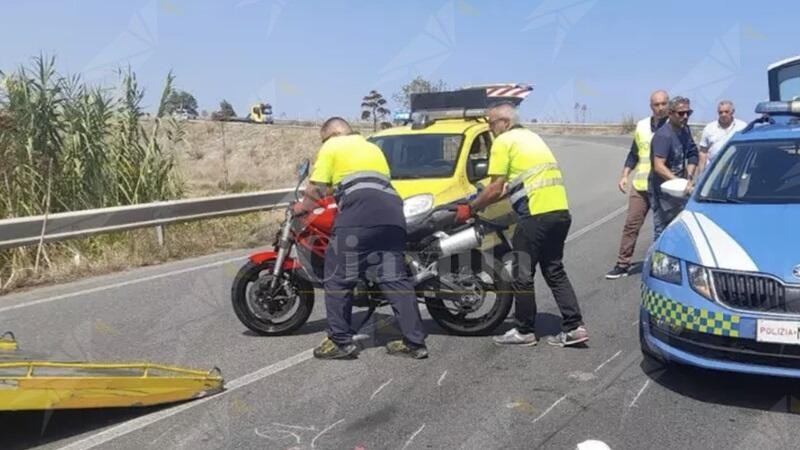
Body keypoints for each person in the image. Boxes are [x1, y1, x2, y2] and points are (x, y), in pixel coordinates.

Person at [455, 102, 587, 347]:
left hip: (535, 214)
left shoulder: (504, 142)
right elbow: (514, 185)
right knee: (554, 270)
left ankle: (524, 330)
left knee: (521, 271)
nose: (490, 128)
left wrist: (471, 208)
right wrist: (483, 200)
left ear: (504, 122)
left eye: (491, 123)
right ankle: (574, 327)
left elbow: (495, 187)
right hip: (559, 212)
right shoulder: (531, 138)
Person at [302, 117, 428, 360]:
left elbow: (317, 188)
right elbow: (363, 181)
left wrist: (301, 208)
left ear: (332, 134)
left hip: (360, 214)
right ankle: (414, 343)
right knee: (395, 279)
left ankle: (340, 341)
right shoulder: (373, 148)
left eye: (323, 139)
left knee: (338, 276)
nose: (323, 144)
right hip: (393, 213)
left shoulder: (332, 145)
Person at [606, 90, 669, 279]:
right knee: (631, 225)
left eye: (663, 104)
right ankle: (622, 264)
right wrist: (625, 174)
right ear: (651, 106)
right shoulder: (642, 125)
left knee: (664, 228)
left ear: (668, 104)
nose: (660, 108)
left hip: (664, 187)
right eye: (656, 104)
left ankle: (664, 265)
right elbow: (634, 153)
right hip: (641, 185)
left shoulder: (675, 125)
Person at [649, 96, 698, 239]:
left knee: (680, 230)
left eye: (688, 113)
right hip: (662, 191)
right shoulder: (664, 136)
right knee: (663, 231)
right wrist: (680, 182)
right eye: (681, 113)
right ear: (670, 114)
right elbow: (658, 166)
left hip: (680, 189)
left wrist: (688, 177)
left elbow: (692, 154)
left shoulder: (685, 131)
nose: (685, 116)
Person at [693, 100, 747, 179]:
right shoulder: (709, 128)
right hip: (713, 171)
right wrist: (701, 174)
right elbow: (703, 152)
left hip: (734, 171)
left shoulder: (742, 127)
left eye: (726, 112)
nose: (723, 115)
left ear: (732, 112)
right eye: (720, 112)